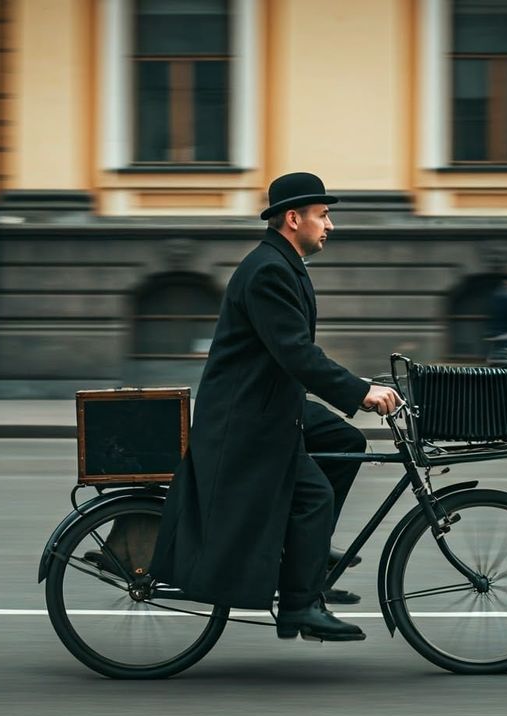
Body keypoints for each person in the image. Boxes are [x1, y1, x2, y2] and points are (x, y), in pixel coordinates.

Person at [151, 173, 402, 643]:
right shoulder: (269, 270)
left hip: (269, 400)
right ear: (294, 218)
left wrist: (358, 385)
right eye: (323, 215)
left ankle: (305, 548)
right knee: (314, 497)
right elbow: (295, 352)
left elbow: (295, 352)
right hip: (245, 417)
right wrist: (358, 392)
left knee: (346, 440)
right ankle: (299, 606)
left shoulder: (282, 263)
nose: (330, 225)